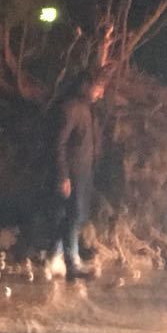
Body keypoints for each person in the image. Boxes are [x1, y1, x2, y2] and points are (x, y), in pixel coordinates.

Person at [50, 72, 106, 280]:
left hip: (83, 171)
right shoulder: (72, 109)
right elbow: (59, 144)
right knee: (73, 216)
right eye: (98, 88)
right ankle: (72, 262)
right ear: (86, 86)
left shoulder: (86, 110)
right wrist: (63, 175)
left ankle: (56, 258)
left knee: (71, 215)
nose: (101, 94)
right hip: (73, 173)